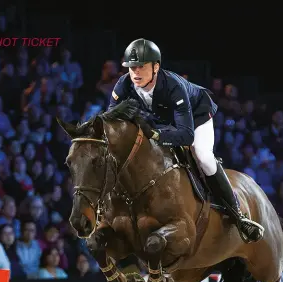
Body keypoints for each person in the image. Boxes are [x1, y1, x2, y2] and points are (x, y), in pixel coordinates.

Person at [108, 38, 264, 243]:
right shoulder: (123, 85)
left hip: (195, 117)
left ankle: (237, 214)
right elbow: (112, 121)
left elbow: (186, 134)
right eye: (132, 67)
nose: (135, 72)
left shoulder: (173, 86)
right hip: (160, 122)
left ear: (156, 66)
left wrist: (154, 135)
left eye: (141, 67)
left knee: (202, 155)